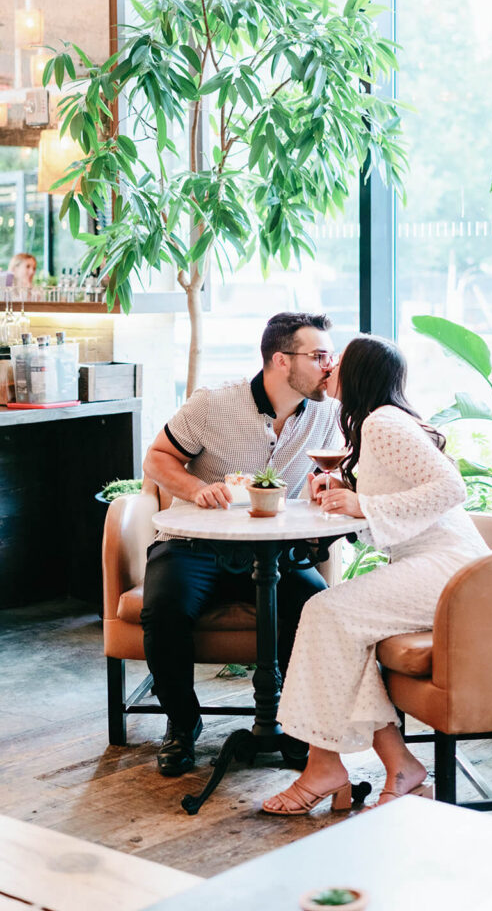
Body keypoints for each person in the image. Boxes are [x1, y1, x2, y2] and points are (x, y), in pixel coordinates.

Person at [262, 335, 489, 815]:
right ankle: (400, 764)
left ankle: (323, 768)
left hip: (452, 570)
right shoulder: (375, 423)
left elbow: (451, 487)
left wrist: (362, 503)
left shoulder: (384, 422)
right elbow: (394, 509)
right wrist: (348, 495)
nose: (329, 367)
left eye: (338, 361)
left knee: (324, 610)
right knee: (344, 626)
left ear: (358, 372)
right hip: (435, 564)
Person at [141, 311, 342, 777]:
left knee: (318, 607)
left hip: (275, 549)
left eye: (330, 356)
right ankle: (182, 722)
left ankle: (294, 725)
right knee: (164, 609)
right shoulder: (214, 404)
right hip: (196, 544)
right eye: (318, 356)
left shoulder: (327, 414)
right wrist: (193, 489)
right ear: (279, 360)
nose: (329, 366)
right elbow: (157, 457)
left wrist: (321, 486)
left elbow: (322, 475)